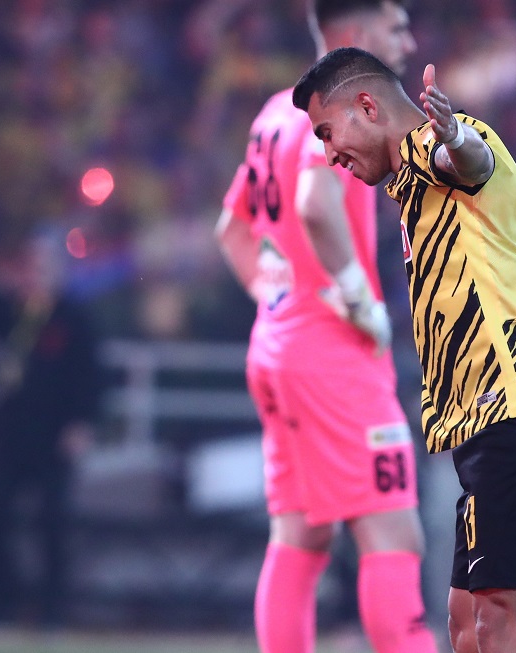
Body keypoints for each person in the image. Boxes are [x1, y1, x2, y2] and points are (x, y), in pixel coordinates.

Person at [293, 48, 516, 653]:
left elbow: (467, 158)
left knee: (498, 621)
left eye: (327, 132)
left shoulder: (439, 146)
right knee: (464, 626)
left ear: (367, 106)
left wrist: (454, 134)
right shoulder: (410, 186)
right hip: (491, 417)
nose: (329, 154)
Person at [213, 3, 438, 653]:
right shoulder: (337, 113)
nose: (408, 41)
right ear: (358, 36)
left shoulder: (274, 114)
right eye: (396, 28)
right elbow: (316, 203)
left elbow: (231, 230)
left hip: (278, 346)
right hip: (333, 355)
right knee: (394, 535)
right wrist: (357, 297)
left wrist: (276, 298)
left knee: (300, 536)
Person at [0, 231, 104, 628]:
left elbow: (90, 375)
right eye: (30, 268)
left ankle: (52, 610)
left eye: (42, 268)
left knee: (52, 524)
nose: (35, 275)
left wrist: (81, 423)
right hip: (12, 432)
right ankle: (0, 604)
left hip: (53, 435)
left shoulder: (72, 317)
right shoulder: (11, 312)